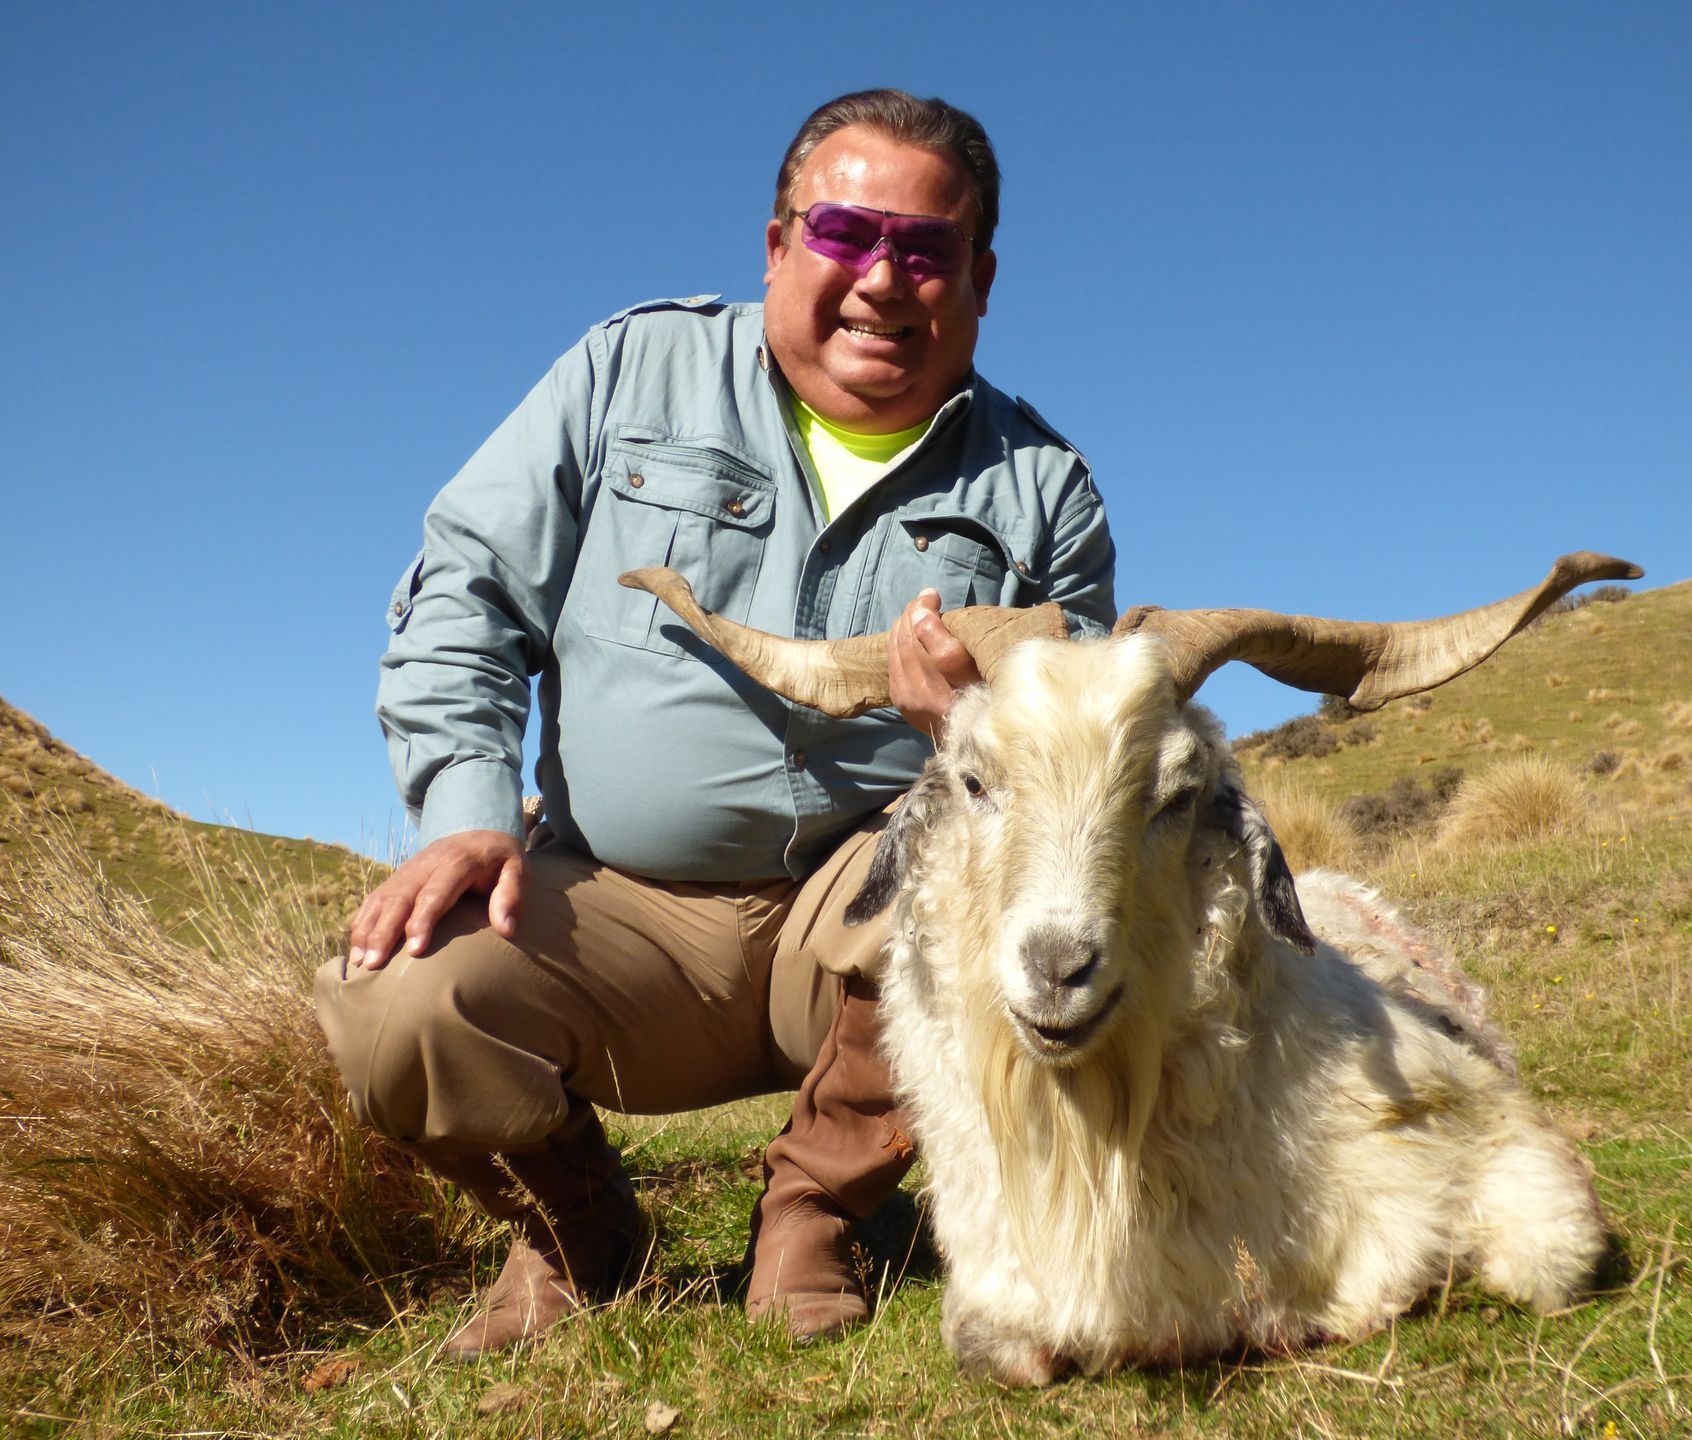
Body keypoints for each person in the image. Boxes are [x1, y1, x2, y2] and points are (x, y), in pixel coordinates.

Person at [312, 89, 1116, 1357]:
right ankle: (580, 1238)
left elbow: (1083, 764)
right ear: (778, 244)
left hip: (863, 912)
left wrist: (977, 732)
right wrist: (468, 815)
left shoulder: (1045, 489)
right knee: (398, 1000)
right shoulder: (630, 370)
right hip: (621, 907)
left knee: (1003, 896)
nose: (882, 282)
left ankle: (817, 1215)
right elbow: (462, 589)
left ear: (982, 277)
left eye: (927, 250)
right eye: (847, 234)